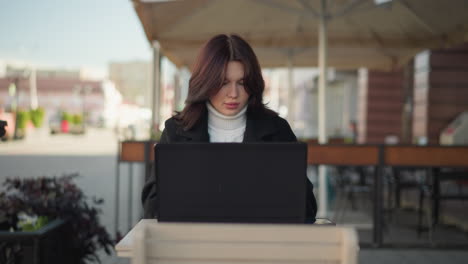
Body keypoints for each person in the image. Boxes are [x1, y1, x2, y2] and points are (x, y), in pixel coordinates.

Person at [141, 34, 317, 223]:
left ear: (253, 83)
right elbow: (153, 206)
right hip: (196, 245)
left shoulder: (277, 129)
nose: (233, 94)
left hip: (259, 245)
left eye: (242, 83)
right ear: (205, 82)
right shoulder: (176, 130)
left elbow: (306, 207)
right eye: (223, 82)